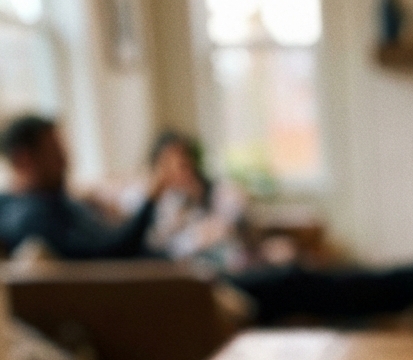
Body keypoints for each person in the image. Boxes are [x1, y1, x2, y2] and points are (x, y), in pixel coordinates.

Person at [0, 114, 170, 260]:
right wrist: (152, 197)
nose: (66, 161)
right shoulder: (30, 218)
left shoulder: (52, 199)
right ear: (23, 159)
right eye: (55, 152)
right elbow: (110, 253)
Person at [145, 130, 250, 271]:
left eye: (182, 161)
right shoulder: (164, 204)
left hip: (228, 268)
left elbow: (228, 230)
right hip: (185, 275)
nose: (176, 168)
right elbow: (160, 248)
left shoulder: (221, 192)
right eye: (167, 163)